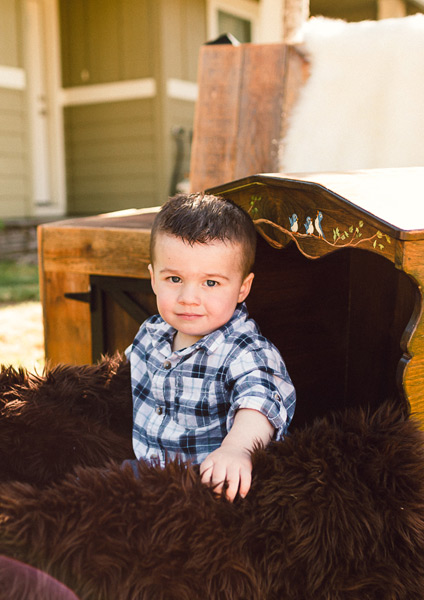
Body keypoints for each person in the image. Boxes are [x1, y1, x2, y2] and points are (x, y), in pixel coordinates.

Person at [125, 193, 296, 502]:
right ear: (153, 279)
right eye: (174, 278)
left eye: (211, 283)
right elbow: (121, 380)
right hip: (145, 467)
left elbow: (260, 403)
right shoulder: (151, 333)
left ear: (243, 288)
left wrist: (237, 449)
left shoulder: (245, 350)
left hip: (208, 483)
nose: (189, 297)